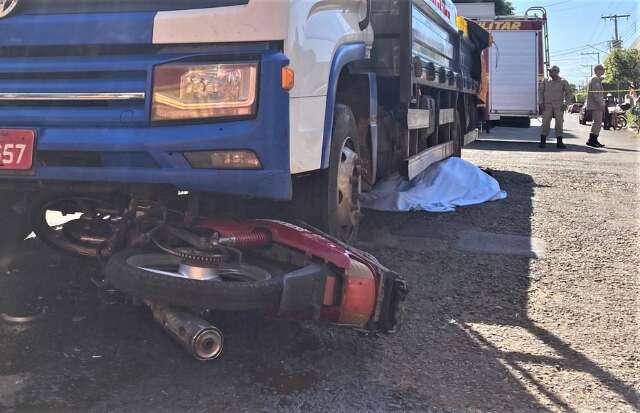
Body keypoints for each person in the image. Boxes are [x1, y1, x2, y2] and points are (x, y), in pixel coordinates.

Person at [538, 65, 573, 149]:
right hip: (547, 105)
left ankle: (559, 142)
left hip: (559, 106)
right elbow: (540, 92)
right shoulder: (545, 81)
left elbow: (569, 93)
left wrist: (566, 103)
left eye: (551, 71)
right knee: (545, 123)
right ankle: (543, 141)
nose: (549, 73)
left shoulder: (563, 81)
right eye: (549, 71)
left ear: (557, 72)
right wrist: (541, 103)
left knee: (559, 123)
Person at [585, 65, 606, 147]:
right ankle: (591, 140)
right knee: (597, 122)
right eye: (602, 70)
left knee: (597, 122)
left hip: (595, 104)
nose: (604, 71)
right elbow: (596, 94)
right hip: (596, 104)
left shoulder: (596, 79)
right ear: (598, 70)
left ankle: (594, 140)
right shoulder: (595, 79)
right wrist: (601, 104)